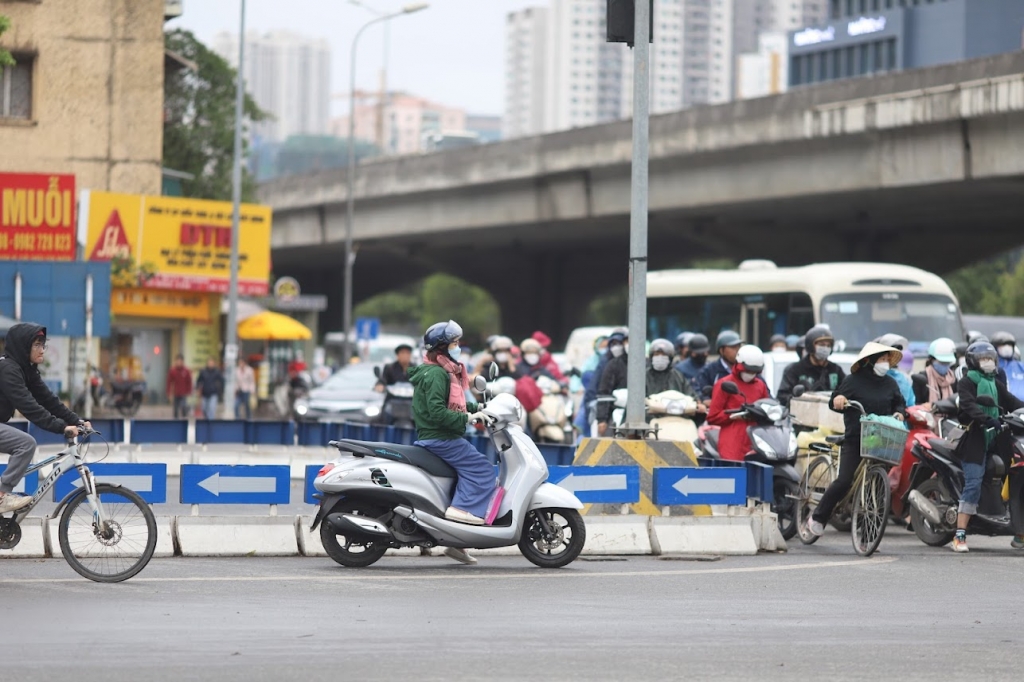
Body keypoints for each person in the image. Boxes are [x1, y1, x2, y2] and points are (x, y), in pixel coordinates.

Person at [408, 320, 496, 565]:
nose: (458, 347)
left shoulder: (439, 370)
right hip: (440, 437)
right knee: (482, 470)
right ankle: (461, 516)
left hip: (439, 435)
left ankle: (458, 543)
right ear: (443, 348)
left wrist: (478, 407)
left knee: (466, 474)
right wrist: (467, 417)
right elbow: (438, 412)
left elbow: (451, 404)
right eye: (455, 343)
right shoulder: (437, 374)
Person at [805, 342, 906, 537]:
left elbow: (899, 404)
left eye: (887, 359)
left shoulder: (891, 383)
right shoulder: (853, 381)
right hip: (855, 438)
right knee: (844, 481)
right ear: (870, 361)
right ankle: (818, 516)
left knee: (877, 486)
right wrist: (839, 399)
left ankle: (869, 536)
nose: (885, 363)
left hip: (880, 441)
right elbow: (834, 400)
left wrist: (900, 413)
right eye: (882, 359)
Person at [0, 323, 90, 513]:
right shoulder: (8, 369)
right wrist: (61, 428)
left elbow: (49, 401)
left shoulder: (26, 370)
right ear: (24, 346)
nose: (42, 350)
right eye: (37, 345)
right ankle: (1, 497)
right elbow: (29, 407)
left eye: (43, 345)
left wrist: (77, 421)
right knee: (25, 444)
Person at [951, 341, 1024, 552]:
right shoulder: (966, 382)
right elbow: (968, 405)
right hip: (974, 436)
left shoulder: (994, 383)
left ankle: (1019, 531)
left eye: (990, 359)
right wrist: (985, 418)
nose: (988, 363)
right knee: (973, 482)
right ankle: (960, 535)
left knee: (1016, 476)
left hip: (997, 436)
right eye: (984, 359)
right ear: (974, 361)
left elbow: (1012, 401)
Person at [706, 345, 771, 461]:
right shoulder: (724, 384)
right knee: (734, 473)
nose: (750, 374)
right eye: (747, 370)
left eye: (754, 371)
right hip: (733, 440)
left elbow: (767, 407)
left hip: (756, 439)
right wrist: (735, 414)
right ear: (739, 365)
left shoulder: (760, 385)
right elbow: (713, 417)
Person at [776, 326, 846, 406]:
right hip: (802, 415)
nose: (825, 348)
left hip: (832, 415)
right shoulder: (794, 370)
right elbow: (782, 396)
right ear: (810, 346)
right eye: (822, 345)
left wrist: (841, 396)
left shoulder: (836, 370)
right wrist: (799, 398)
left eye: (828, 346)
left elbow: (847, 390)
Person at [595, 332, 629, 436]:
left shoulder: (647, 365)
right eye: (627, 341)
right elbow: (604, 392)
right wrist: (602, 419)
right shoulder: (613, 364)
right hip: (616, 412)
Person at [693, 331, 743, 398]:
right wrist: (705, 399)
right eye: (733, 347)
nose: (737, 350)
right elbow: (698, 391)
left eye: (739, 346)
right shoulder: (708, 371)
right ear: (721, 350)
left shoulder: (746, 369)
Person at [911, 337, 957, 406]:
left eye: (947, 363)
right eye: (942, 362)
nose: (945, 365)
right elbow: (916, 404)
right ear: (932, 360)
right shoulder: (922, 378)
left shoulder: (952, 378)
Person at [991, 331, 1024, 400]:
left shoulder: (1020, 366)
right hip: (1006, 406)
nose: (1007, 348)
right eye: (1002, 345)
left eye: (1009, 345)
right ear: (995, 347)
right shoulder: (993, 367)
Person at [166, 354, 192, 419]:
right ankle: (175, 422)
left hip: (183, 393)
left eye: (180, 361)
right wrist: (169, 393)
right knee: (175, 409)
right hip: (176, 393)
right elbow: (169, 382)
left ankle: (184, 420)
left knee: (183, 408)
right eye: (177, 361)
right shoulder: (173, 371)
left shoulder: (186, 371)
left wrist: (189, 391)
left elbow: (189, 382)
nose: (179, 363)